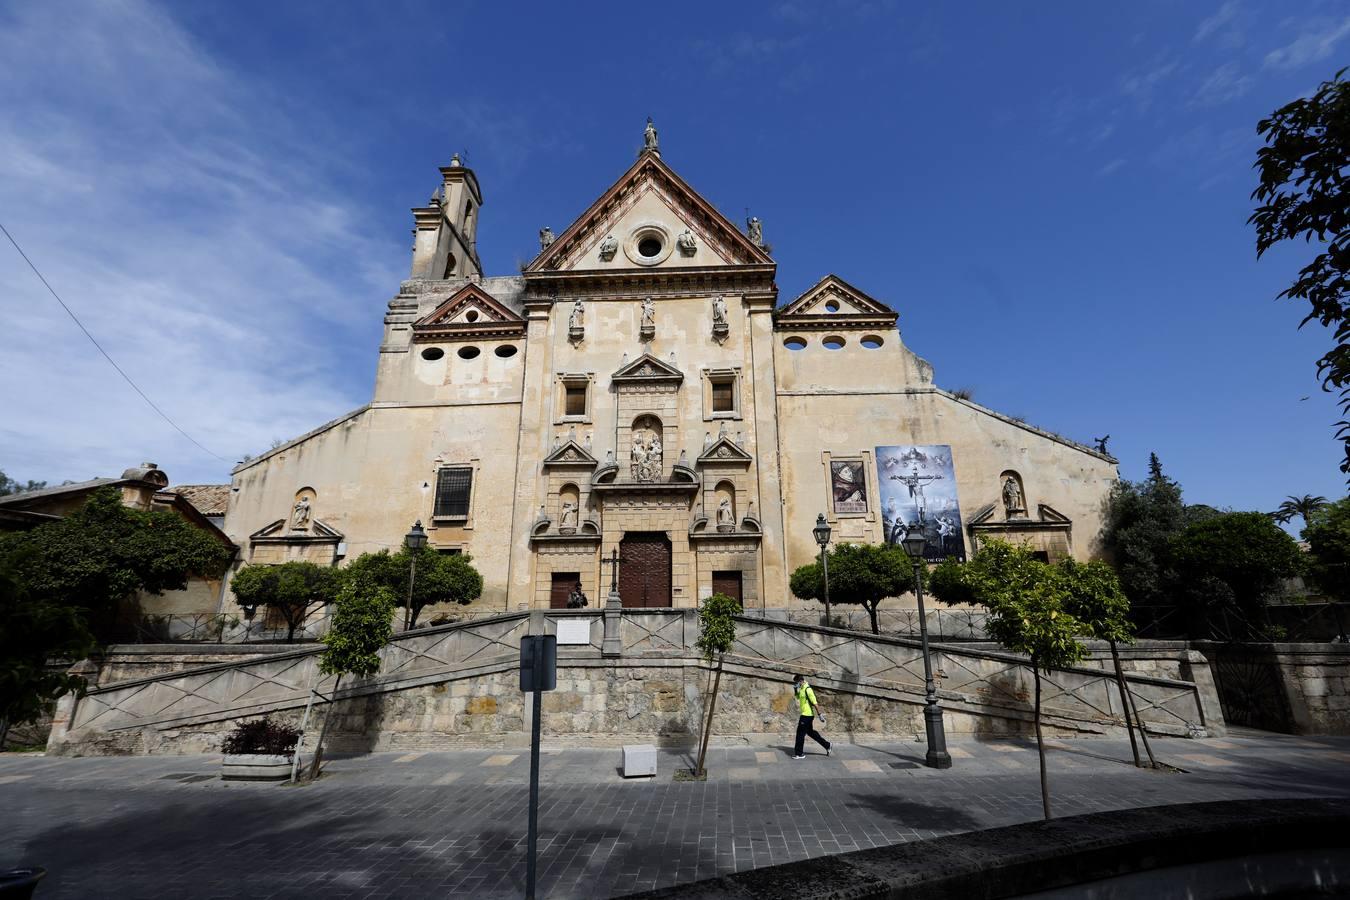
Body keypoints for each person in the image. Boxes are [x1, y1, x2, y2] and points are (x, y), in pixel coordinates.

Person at [791, 674, 831, 759]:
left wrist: (819, 714)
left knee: (800, 734)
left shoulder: (808, 689)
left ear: (801, 681)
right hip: (806, 715)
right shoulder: (802, 688)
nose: (796, 684)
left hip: (807, 716)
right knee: (811, 733)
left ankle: (799, 754)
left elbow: (815, 702)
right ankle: (827, 745)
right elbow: (798, 697)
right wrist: (795, 689)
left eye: (797, 682)